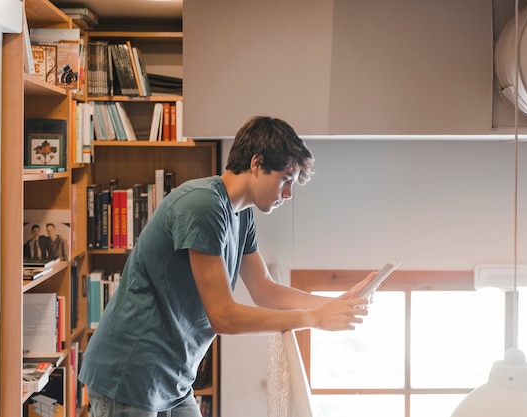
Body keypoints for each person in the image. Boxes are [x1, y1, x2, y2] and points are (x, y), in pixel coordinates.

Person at [78, 116, 377, 417]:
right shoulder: (203, 204)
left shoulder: (241, 214)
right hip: (130, 373)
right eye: (286, 179)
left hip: (173, 378)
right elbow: (223, 316)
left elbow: (265, 290)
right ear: (257, 164)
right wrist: (312, 317)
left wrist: (335, 304)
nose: (288, 194)